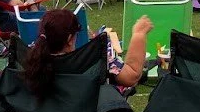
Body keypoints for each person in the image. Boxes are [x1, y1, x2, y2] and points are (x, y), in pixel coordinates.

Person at [22, 8, 151, 96]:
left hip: (45, 111)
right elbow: (131, 77)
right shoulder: (90, 57)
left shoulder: (30, 54)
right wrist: (139, 34)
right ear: (69, 39)